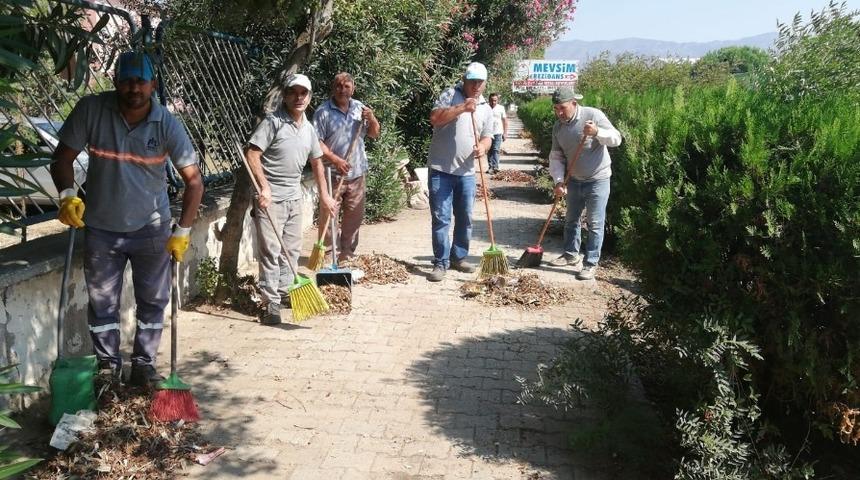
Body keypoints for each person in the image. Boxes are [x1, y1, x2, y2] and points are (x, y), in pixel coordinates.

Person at [50, 50, 204, 388]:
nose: (134, 88)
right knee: (103, 304)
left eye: (141, 81)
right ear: (115, 82)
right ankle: (108, 369)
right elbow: (61, 159)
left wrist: (183, 231)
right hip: (102, 230)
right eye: (126, 81)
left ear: (153, 84)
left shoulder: (166, 123)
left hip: (151, 230)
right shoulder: (92, 110)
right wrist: (66, 196)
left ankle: (143, 366)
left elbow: (194, 181)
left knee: (153, 302)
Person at [244, 73, 335, 325]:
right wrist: (264, 188)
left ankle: (284, 292)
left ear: (309, 97)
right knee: (270, 252)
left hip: (295, 198)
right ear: (285, 95)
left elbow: (317, 162)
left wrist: (325, 195)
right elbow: (252, 154)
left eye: (303, 93)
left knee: (291, 250)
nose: (298, 97)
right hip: (269, 199)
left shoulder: (308, 128)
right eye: (293, 92)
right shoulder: (272, 123)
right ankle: (270, 301)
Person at [426, 62, 494, 282]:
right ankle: (440, 262)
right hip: (441, 169)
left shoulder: (486, 107)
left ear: (484, 84)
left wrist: (483, 147)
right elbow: (435, 118)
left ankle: (459, 257)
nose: (475, 86)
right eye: (472, 81)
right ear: (464, 80)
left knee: (465, 217)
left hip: (466, 172)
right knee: (441, 218)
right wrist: (462, 108)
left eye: (479, 82)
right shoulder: (449, 94)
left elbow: (487, 136)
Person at [547, 87, 622, 280]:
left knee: (595, 223)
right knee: (571, 219)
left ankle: (590, 263)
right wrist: (558, 181)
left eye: (562, 108)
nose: (559, 113)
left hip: (598, 179)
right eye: (556, 108)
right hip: (574, 180)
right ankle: (571, 255)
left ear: (574, 103)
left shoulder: (593, 115)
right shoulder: (558, 127)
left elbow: (616, 139)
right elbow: (556, 157)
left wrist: (597, 132)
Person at [312, 72, 381, 261]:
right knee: (329, 214)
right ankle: (327, 253)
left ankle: (347, 252)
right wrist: (336, 160)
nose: (342, 90)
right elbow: (316, 143)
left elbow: (374, 134)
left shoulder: (360, 108)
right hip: (332, 173)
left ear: (353, 88)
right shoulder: (323, 112)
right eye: (339, 86)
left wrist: (372, 118)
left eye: (346, 86)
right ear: (333, 88)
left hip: (357, 173)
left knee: (354, 216)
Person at [486, 93, 508, 174]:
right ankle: (490, 167)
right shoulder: (486, 108)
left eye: (495, 100)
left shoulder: (501, 108)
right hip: (488, 132)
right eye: (491, 100)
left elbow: (505, 121)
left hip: (498, 132)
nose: (493, 102)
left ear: (497, 100)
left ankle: (495, 167)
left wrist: (505, 133)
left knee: (496, 149)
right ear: (489, 100)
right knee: (489, 150)